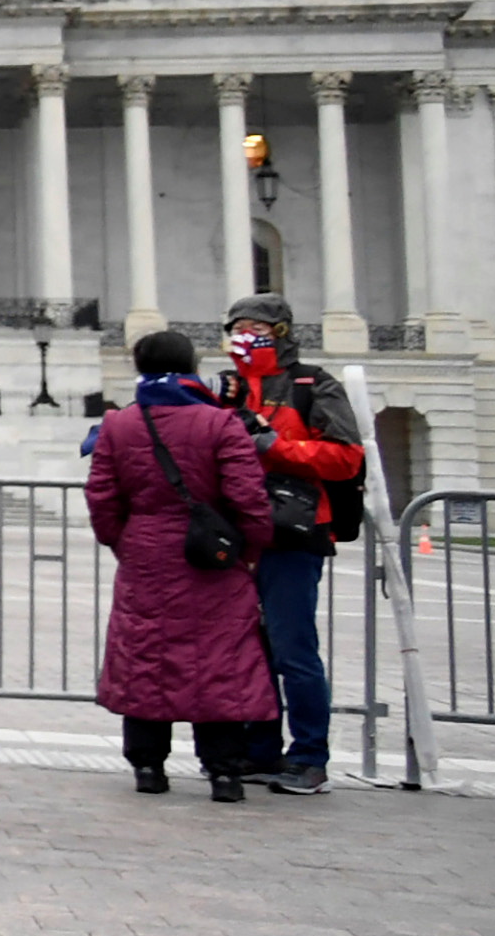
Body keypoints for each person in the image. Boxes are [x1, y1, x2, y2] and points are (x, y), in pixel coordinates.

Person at [87, 329, 277, 800]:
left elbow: (103, 499)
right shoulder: (221, 423)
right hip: (211, 556)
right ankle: (225, 772)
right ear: (192, 365)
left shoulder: (120, 424)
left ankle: (148, 766)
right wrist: (248, 550)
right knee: (220, 663)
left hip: (146, 552)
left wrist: (123, 542)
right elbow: (249, 499)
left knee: (146, 658)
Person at [222, 295, 365, 793]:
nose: (242, 336)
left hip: (294, 531)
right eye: (235, 327)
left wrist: (273, 446)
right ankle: (259, 749)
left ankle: (308, 755)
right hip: (240, 533)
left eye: (252, 327)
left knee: (293, 649)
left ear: (280, 331)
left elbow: (346, 457)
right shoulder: (231, 389)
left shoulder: (312, 384)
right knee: (248, 649)